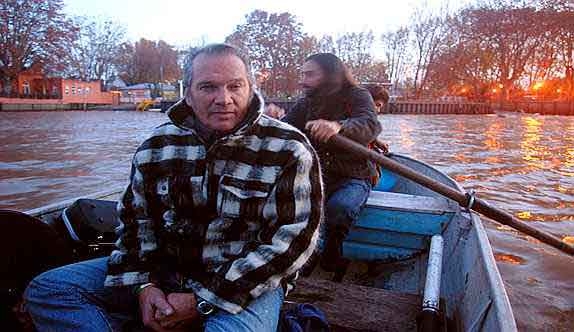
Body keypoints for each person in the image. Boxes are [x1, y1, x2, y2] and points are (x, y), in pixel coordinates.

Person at [24, 44, 323, 332]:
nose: (224, 98)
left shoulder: (288, 149)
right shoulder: (157, 145)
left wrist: (202, 301)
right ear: (188, 94)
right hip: (167, 271)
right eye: (208, 87)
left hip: (245, 281)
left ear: (250, 88)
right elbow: (135, 224)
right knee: (48, 290)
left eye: (235, 86)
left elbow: (292, 243)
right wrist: (143, 286)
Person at [270, 53, 382, 273]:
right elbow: (284, 130)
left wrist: (339, 126)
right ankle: (301, 252)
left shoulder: (358, 95)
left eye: (309, 74)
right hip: (316, 174)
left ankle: (332, 248)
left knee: (341, 207)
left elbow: (370, 124)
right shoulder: (306, 103)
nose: (302, 80)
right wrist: (271, 119)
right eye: (302, 74)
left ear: (331, 75)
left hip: (354, 174)